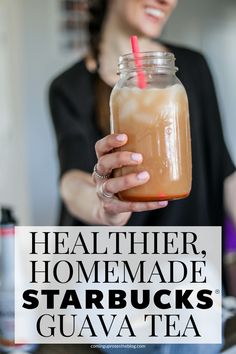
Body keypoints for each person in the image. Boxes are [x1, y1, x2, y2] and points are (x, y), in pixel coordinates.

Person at [49, 0, 236, 353]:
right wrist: (103, 204)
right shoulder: (67, 87)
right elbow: (71, 180)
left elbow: (226, 173)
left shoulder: (189, 70)